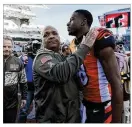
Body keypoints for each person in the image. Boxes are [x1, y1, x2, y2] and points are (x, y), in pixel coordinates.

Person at [33, 25, 99, 123]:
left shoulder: (62, 57)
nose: (51, 36)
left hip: (70, 115)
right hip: (52, 119)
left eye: (54, 33)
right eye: (46, 35)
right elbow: (61, 74)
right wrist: (84, 47)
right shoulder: (42, 58)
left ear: (59, 38)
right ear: (42, 42)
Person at [67, 9, 123, 123]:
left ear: (83, 22)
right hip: (85, 103)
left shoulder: (98, 38)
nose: (68, 23)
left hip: (102, 105)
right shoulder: (73, 44)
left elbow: (117, 83)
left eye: (72, 19)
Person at [3, 36, 27, 123]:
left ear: (12, 47)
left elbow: (23, 81)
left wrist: (24, 97)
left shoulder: (18, 62)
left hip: (11, 104)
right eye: (4, 46)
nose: (6, 49)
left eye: (9, 47)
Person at [18, 44, 35, 123]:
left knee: (41, 110)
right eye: (33, 47)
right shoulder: (24, 58)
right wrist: (22, 59)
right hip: (28, 87)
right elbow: (18, 66)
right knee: (24, 109)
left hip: (39, 87)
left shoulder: (40, 57)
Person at [115, 40, 130, 123]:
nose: (120, 47)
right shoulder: (112, 59)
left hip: (125, 92)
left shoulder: (126, 59)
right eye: (118, 45)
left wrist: (122, 77)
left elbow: (129, 75)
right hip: (115, 93)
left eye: (121, 45)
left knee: (125, 112)